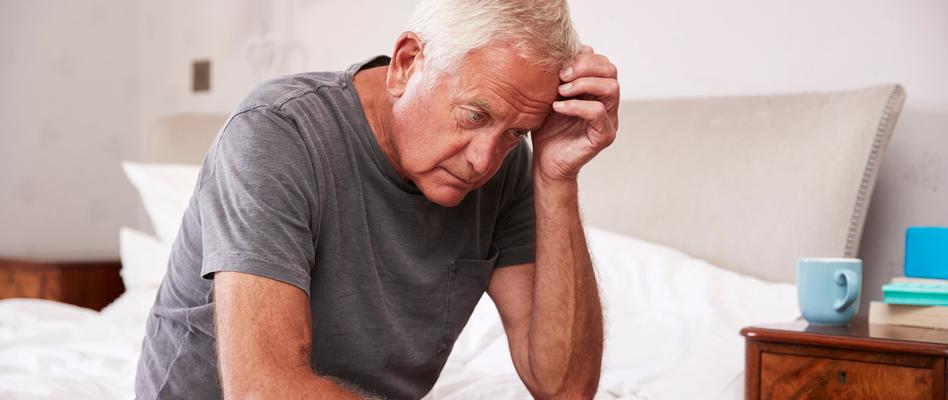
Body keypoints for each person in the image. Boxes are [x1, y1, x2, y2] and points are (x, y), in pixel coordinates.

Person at [134, 0, 619, 398]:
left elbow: (565, 389)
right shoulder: (276, 133)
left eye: (517, 132)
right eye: (475, 115)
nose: (483, 159)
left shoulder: (504, 165)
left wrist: (556, 179)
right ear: (407, 64)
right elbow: (266, 390)